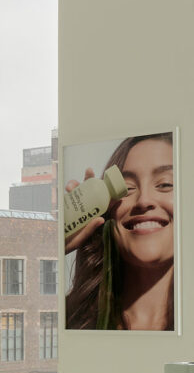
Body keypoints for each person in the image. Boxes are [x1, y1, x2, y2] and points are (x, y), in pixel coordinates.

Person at [65, 132, 174, 330]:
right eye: (128, 188)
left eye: (165, 184)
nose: (143, 201)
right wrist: (55, 242)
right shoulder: (69, 318)